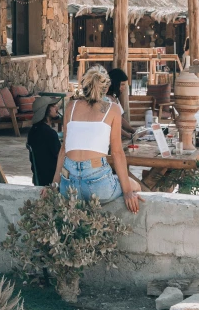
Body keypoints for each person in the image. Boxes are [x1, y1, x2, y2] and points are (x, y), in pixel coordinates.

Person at [49, 65, 143, 214]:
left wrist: (54, 186)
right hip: (98, 185)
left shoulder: (71, 107)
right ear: (106, 88)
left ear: (84, 86)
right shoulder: (113, 109)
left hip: (69, 186)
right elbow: (117, 153)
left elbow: (63, 150)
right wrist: (127, 192)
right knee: (135, 185)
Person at [27, 96, 62, 186]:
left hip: (38, 177)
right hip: (52, 179)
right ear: (46, 110)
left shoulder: (33, 131)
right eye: (53, 106)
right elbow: (61, 157)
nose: (56, 108)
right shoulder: (50, 133)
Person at [107, 68, 134, 140]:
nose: (124, 87)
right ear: (114, 84)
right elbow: (112, 125)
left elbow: (120, 118)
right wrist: (128, 135)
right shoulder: (106, 100)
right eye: (122, 84)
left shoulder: (114, 98)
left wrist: (132, 130)